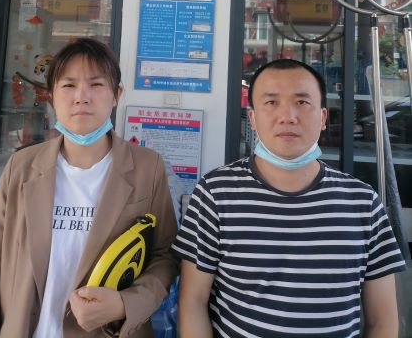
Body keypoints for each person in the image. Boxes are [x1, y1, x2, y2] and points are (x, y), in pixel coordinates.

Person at [173, 58, 406, 338]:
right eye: (271, 102)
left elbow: (383, 322)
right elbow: (192, 303)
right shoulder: (214, 194)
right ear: (253, 119)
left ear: (323, 118)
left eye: (302, 102)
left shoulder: (364, 203)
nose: (288, 116)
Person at [0, 38, 178, 338]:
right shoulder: (21, 167)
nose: (82, 97)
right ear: (51, 96)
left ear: (116, 95)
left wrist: (125, 304)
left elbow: (164, 256)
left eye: (96, 85)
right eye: (68, 85)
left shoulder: (148, 168)